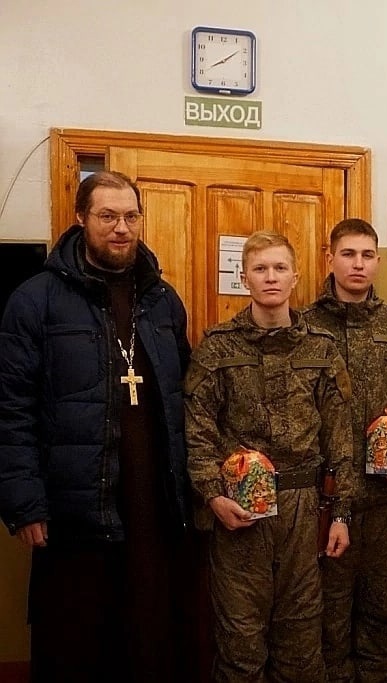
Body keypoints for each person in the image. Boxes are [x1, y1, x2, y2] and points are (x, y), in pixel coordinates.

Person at [0, 170, 193, 682]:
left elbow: (183, 397)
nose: (121, 228)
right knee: (76, 642)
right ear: (81, 218)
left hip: (152, 506)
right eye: (107, 216)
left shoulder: (162, 299)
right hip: (74, 507)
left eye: (131, 216)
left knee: (149, 638)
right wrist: (24, 502)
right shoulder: (35, 300)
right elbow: (11, 408)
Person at [185, 231, 355, 682]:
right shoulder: (218, 348)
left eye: (280, 268)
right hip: (239, 512)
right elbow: (198, 432)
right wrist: (212, 496)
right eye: (260, 269)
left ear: (295, 277)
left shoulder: (320, 348)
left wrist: (342, 513)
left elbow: (340, 437)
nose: (271, 277)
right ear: (244, 278)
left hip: (303, 510)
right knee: (240, 643)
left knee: (301, 643)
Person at [304, 219, 387, 682]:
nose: (357, 264)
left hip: (385, 498)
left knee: (384, 615)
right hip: (322, 500)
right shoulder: (304, 327)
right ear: (330, 259)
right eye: (348, 254)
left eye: (366, 255)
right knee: (326, 619)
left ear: (378, 261)